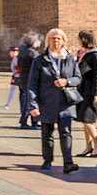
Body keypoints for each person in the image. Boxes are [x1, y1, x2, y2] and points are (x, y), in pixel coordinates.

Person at [27, 28, 82, 173]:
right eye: (53, 38)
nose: (56, 41)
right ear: (48, 41)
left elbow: (78, 78)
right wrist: (33, 104)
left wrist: (67, 81)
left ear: (63, 41)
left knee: (66, 132)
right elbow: (32, 83)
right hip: (47, 102)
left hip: (65, 102)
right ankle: (47, 159)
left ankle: (68, 163)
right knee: (47, 134)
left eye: (59, 39)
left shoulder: (69, 58)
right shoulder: (40, 60)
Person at [75, 30, 97, 156]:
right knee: (84, 120)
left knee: (88, 120)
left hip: (91, 92)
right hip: (82, 90)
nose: (78, 41)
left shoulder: (96, 54)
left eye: (79, 38)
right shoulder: (83, 53)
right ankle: (88, 146)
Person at [17, 33, 42, 128]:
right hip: (31, 80)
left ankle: (33, 121)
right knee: (30, 101)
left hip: (23, 78)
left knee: (27, 101)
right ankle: (26, 121)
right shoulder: (33, 53)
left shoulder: (23, 52)